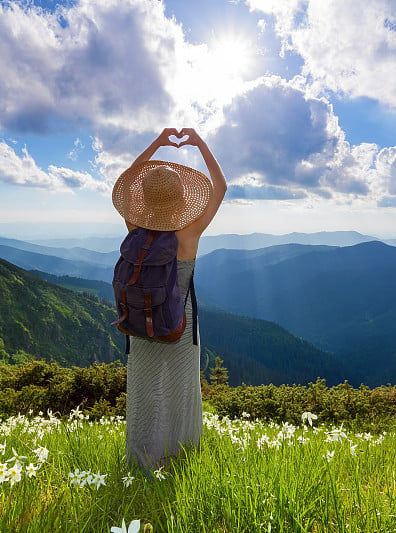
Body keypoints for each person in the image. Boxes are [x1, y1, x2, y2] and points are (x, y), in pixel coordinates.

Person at [111, 127, 226, 471]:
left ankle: (141, 462)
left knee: (144, 391)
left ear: (145, 200)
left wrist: (157, 144)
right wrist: (199, 142)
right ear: (181, 198)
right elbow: (220, 188)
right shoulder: (188, 233)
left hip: (141, 321)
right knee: (181, 391)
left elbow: (129, 184)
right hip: (180, 323)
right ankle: (181, 460)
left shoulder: (135, 228)